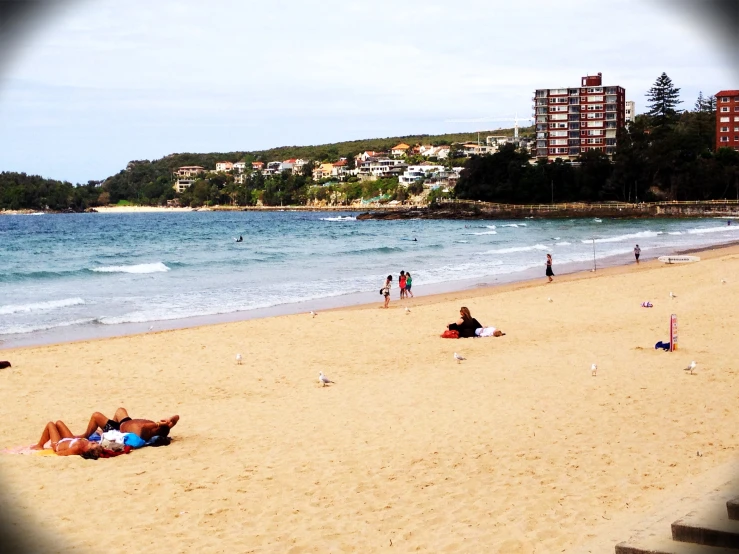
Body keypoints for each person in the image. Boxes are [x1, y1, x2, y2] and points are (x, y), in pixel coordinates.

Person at [78, 408, 179, 442]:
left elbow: (143, 426)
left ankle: (85, 435)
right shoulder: (160, 429)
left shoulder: (144, 432)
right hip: (125, 422)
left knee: (96, 416)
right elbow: (176, 417)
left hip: (118, 429)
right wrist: (168, 420)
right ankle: (106, 432)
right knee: (120, 410)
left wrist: (157, 424)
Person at [31, 421, 102, 459]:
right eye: (94, 442)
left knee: (50, 424)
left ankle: (39, 445)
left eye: (93, 444)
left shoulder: (77, 448)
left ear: (88, 450)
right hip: (70, 439)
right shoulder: (86, 443)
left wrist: (54, 447)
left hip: (58, 444)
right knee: (59, 422)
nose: (93, 441)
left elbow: (61, 453)